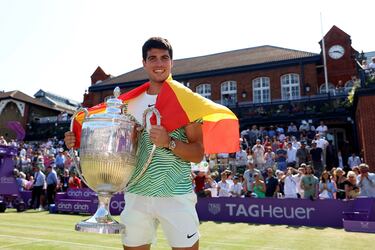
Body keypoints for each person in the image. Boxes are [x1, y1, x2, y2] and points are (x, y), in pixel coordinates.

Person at [65, 37, 239, 250]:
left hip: (176, 195)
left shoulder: (186, 101)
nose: (159, 64)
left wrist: (169, 142)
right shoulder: (129, 105)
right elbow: (116, 147)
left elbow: (197, 155)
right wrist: (80, 140)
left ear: (171, 63)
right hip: (137, 195)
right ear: (144, 63)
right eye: (153, 58)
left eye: (164, 58)